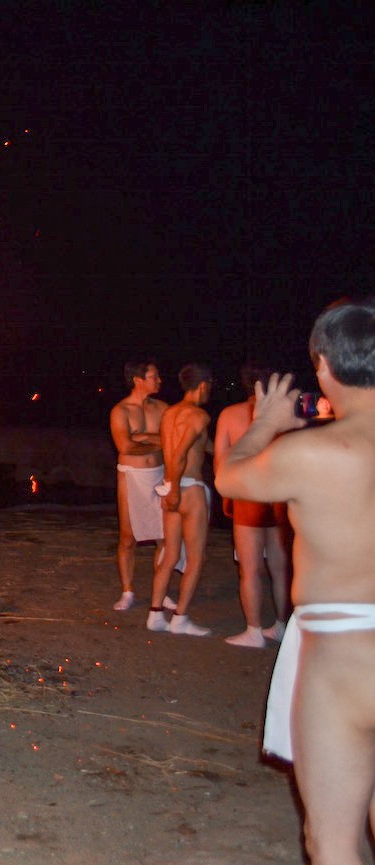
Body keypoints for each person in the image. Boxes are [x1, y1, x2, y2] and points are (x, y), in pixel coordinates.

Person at [216, 299, 375, 865]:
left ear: (324, 367)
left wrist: (266, 423)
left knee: (332, 843)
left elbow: (230, 476)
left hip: (341, 655)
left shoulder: (313, 452)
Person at [214, 363, 291, 648]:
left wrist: (225, 495)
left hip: (247, 493)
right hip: (278, 493)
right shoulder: (282, 415)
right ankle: (282, 624)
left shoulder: (231, 414)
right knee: (280, 566)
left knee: (250, 568)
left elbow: (221, 459)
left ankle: (254, 630)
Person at [147, 363, 215, 635]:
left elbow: (195, 447)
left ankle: (155, 615)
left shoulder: (169, 413)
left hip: (170, 485)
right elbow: (180, 454)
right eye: (210, 385)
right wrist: (175, 487)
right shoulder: (199, 415)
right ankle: (180, 618)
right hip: (187, 489)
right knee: (196, 558)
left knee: (170, 553)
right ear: (202, 385)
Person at [109, 360, 177, 611]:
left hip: (159, 473)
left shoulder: (163, 408)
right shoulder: (121, 411)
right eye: (154, 376)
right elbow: (125, 447)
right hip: (131, 475)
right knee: (128, 537)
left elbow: (173, 441)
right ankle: (127, 591)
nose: (159, 380)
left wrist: (143, 438)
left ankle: (162, 589)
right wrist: (157, 441)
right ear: (138, 379)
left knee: (164, 536)